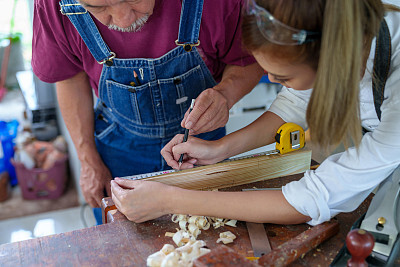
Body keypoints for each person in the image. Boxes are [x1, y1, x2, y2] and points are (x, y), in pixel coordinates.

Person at [110, 0, 400, 226]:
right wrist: (221, 149)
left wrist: (171, 201)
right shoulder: (337, 29)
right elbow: (297, 101)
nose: (272, 82)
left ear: (333, 61)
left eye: (282, 77)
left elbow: (310, 201)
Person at [32, 0, 263, 224]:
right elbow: (68, 77)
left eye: (133, 0)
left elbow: (250, 59)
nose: (123, 21)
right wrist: (87, 160)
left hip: (202, 144)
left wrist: (225, 94)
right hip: (118, 146)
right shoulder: (54, 5)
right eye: (99, 7)